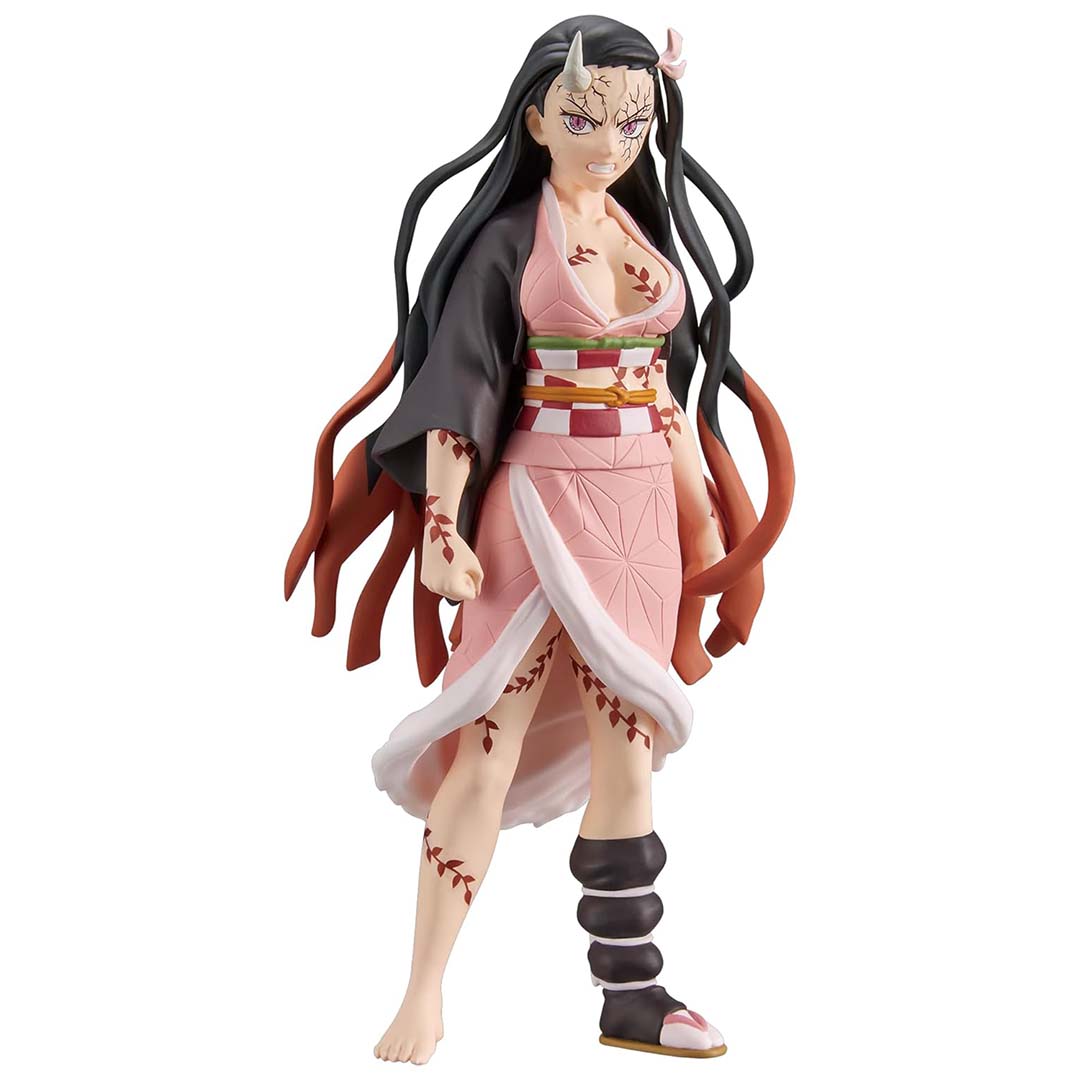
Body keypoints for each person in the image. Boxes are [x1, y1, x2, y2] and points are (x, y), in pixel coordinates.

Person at [285, 15, 794, 1064]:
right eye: (585, 119)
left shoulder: (642, 234)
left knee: (630, 744)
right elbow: (462, 389)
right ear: (535, 119)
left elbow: (666, 396)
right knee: (488, 741)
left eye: (632, 122)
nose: (611, 143)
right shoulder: (510, 241)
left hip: (639, 515)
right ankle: (423, 990)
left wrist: (706, 521)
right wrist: (440, 521)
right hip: (535, 510)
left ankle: (632, 993)